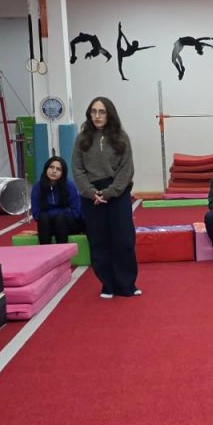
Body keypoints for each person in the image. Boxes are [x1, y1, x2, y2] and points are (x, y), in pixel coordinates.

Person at [73, 97, 140, 297]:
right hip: (92, 195)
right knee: (99, 241)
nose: (97, 116)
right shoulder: (82, 139)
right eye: (93, 112)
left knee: (124, 239)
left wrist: (111, 192)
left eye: (101, 112)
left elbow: (127, 169)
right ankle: (107, 284)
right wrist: (91, 192)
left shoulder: (121, 137)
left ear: (109, 114)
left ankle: (126, 284)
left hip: (117, 193)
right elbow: (77, 169)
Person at [31, 156, 82, 245]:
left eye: (58, 169)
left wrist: (55, 213)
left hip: (68, 224)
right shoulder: (37, 187)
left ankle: (62, 251)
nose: (54, 171)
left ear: (63, 173)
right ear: (46, 168)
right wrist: (60, 211)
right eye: (51, 167)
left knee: (60, 218)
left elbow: (76, 213)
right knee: (43, 218)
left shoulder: (70, 186)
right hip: (48, 225)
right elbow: (36, 215)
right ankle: (45, 251)